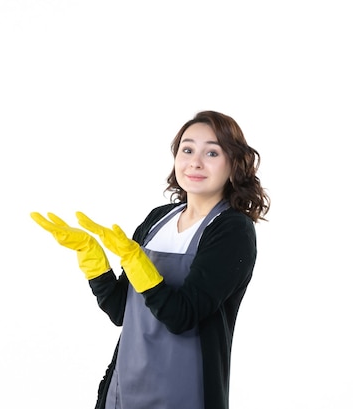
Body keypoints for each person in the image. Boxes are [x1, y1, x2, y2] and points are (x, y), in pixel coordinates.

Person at [30, 110, 270, 409]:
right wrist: (93, 260)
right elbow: (122, 311)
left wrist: (137, 261)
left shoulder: (232, 229)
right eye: (187, 149)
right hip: (125, 387)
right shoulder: (158, 220)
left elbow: (182, 316)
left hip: (184, 393)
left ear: (234, 163)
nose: (195, 161)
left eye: (212, 152)